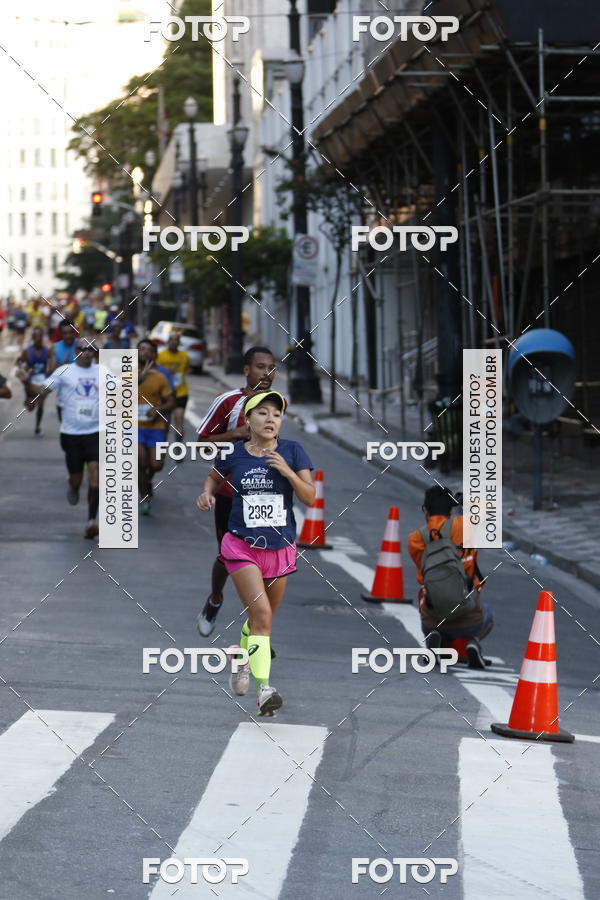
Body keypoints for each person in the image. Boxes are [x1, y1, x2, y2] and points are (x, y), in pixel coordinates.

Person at [196, 391, 315, 715]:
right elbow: (213, 477)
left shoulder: (293, 451)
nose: (270, 419)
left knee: (262, 619)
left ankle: (240, 654)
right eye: (262, 413)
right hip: (242, 546)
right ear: (248, 420)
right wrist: (207, 494)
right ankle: (265, 690)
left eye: (276, 414)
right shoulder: (234, 453)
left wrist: (288, 472)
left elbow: (309, 497)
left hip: (281, 548)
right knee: (262, 617)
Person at [195, 346, 277, 637]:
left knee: (266, 560)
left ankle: (259, 628)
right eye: (260, 367)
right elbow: (202, 443)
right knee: (229, 558)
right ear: (246, 369)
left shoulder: (276, 403)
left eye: (271, 367)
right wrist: (236, 434)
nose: (266, 373)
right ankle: (215, 598)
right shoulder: (227, 402)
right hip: (230, 493)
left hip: (264, 495)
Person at [407, 485, 493, 669]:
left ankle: (434, 636)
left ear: (425, 510)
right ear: (452, 509)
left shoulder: (415, 539)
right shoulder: (465, 526)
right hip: (469, 617)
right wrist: (466, 501)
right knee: (487, 613)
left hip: (432, 616)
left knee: (428, 593)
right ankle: (473, 642)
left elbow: (422, 570)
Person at [28, 339, 101, 539]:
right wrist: (26, 382)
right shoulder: (64, 371)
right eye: (81, 349)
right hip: (71, 435)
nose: (85, 352)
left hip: (96, 433)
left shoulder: (102, 372)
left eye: (90, 349)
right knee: (77, 479)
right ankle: (73, 485)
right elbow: (42, 390)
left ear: (95, 353)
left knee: (95, 477)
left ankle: (91, 522)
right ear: (75, 351)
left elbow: (123, 389)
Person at [137, 339, 175, 515]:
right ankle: (144, 496)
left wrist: (158, 409)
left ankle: (146, 481)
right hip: (133, 427)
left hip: (155, 427)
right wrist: (139, 379)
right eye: (141, 349)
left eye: (148, 350)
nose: (144, 353)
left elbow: (171, 401)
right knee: (140, 460)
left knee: (156, 464)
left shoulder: (160, 377)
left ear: (153, 354)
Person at [156, 331, 190, 447]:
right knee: (166, 422)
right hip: (166, 393)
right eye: (171, 339)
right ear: (167, 342)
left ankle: (178, 446)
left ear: (179, 342)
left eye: (176, 340)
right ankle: (163, 445)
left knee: (179, 418)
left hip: (181, 392)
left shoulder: (184, 356)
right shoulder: (160, 356)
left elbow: (187, 369)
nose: (174, 342)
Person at [15, 327, 49, 434]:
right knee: (30, 407)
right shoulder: (27, 351)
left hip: (42, 380)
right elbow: (19, 362)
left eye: (40, 339)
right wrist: (24, 369)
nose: (39, 341)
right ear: (33, 338)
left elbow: (50, 364)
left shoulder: (46, 350)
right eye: (37, 338)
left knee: (41, 404)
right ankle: (28, 400)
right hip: (30, 381)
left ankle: (37, 426)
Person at [48, 319, 78, 422]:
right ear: (61, 334)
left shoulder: (82, 345)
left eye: (71, 332)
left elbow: (97, 356)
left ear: (75, 332)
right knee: (66, 431)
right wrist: (62, 366)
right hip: (63, 398)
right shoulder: (55, 348)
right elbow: (50, 372)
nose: (68, 335)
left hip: (82, 397)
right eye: (65, 333)